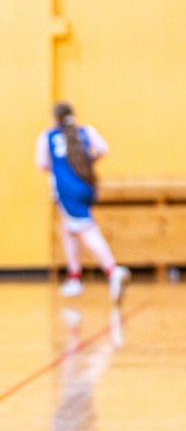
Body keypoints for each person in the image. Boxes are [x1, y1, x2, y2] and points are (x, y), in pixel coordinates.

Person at [36, 102, 131, 303]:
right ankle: (75, 278)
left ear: (55, 118)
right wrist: (86, 162)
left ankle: (113, 270)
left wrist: (61, 168)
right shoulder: (86, 132)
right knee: (69, 230)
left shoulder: (48, 137)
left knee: (86, 229)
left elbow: (41, 163)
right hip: (86, 185)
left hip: (66, 190)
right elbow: (103, 149)